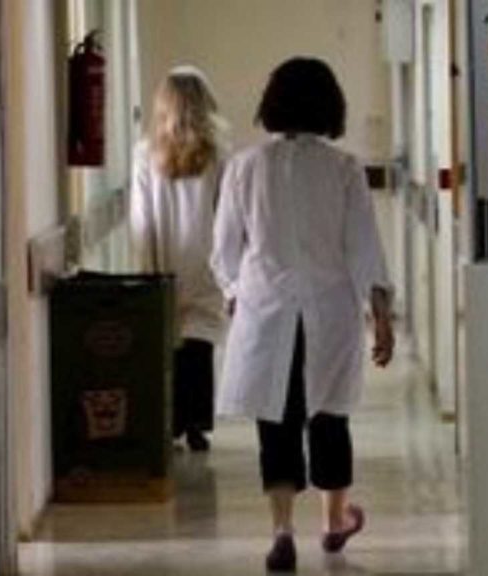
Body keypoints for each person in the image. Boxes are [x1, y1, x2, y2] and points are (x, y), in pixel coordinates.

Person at [211, 57, 395, 572]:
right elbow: (363, 248)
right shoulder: (344, 169)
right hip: (328, 312)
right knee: (330, 415)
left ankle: (282, 529)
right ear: (330, 106)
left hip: (266, 313)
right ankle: (334, 521)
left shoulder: (245, 167)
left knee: (277, 420)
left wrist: (235, 291)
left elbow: (224, 249)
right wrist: (381, 315)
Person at [130, 66, 227, 452]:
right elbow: (225, 214)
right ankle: (197, 425)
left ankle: (170, 423)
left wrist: (146, 269)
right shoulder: (218, 156)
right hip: (205, 263)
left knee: (167, 349)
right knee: (199, 348)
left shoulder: (145, 154)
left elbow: (142, 220)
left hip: (164, 262)